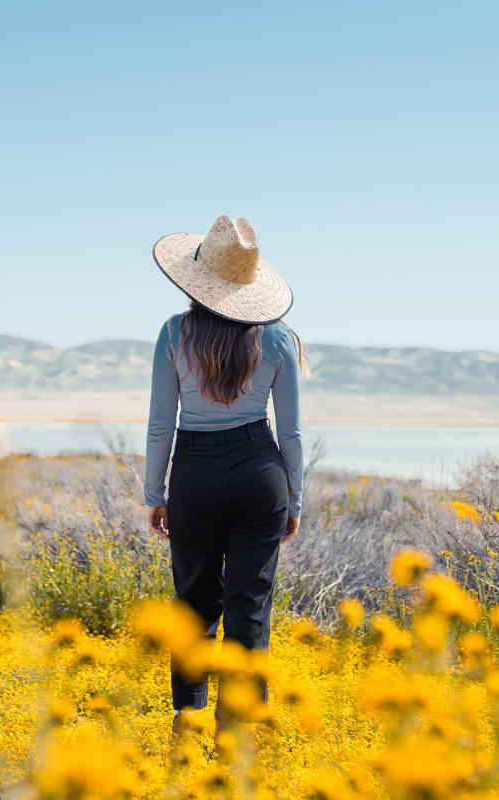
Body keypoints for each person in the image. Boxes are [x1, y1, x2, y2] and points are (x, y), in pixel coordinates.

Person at [143, 214, 306, 733]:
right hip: (261, 472)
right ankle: (238, 728)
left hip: (193, 473)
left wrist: (154, 493)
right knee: (249, 604)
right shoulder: (279, 339)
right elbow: (293, 436)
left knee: (192, 601)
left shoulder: (173, 333)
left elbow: (159, 425)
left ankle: (186, 718)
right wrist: (295, 501)